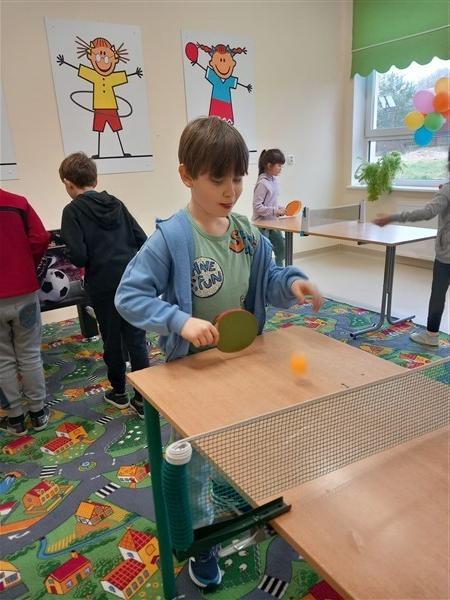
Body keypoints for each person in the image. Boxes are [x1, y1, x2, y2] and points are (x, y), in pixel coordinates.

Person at [115, 116, 323, 589]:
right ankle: (203, 541)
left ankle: (251, 502)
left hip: (244, 366)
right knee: (194, 468)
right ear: (187, 175)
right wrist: (179, 320)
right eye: (217, 178)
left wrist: (293, 283)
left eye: (237, 178)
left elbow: (270, 280)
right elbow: (129, 297)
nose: (231, 190)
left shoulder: (247, 233)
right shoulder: (172, 237)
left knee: (248, 440)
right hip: (192, 376)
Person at [59, 152, 149, 417]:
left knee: (111, 338)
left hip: (102, 284)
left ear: (68, 183)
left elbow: (79, 256)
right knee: (136, 338)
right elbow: (142, 238)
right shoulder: (116, 203)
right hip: (131, 280)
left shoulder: (72, 211)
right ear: (95, 180)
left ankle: (119, 392)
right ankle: (144, 398)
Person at [373, 147, 450, 347]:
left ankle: (431, 335)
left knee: (438, 294)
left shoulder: (447, 190)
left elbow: (427, 213)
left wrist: (392, 217)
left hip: (447, 256)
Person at [0, 188, 50, 436]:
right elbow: (40, 238)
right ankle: (38, 413)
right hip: (24, 293)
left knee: (2, 359)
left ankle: (15, 419)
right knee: (29, 353)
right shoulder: (17, 203)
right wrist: (25, 262)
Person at [252, 148, 287, 266]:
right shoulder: (263, 183)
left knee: (282, 249)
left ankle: (279, 272)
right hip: (261, 226)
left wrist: (279, 208)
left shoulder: (274, 181)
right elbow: (257, 207)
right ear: (269, 165)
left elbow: (271, 203)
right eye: (279, 165)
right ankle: (265, 274)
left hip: (272, 224)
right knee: (264, 256)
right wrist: (275, 211)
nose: (281, 168)